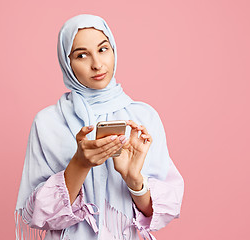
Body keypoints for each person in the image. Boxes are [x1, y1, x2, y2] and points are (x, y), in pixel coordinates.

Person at [15, 14, 184, 240]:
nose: (97, 64)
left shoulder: (143, 117)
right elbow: (40, 215)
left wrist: (134, 180)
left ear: (113, 49)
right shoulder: (48, 122)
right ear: (67, 63)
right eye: (82, 55)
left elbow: (158, 214)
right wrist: (80, 164)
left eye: (103, 49)